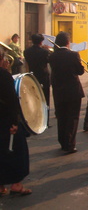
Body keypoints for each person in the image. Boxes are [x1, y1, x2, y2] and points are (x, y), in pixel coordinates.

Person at [0, 47, 32, 196]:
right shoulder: (4, 75)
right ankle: (16, 184)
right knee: (16, 152)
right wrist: (14, 122)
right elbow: (12, 101)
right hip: (6, 120)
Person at [48, 32, 85, 153]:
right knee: (72, 118)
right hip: (73, 90)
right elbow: (80, 71)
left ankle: (63, 142)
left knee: (62, 117)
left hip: (59, 91)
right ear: (68, 42)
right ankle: (70, 144)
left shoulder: (52, 56)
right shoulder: (73, 55)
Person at [23, 34, 51, 126]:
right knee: (45, 99)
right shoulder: (44, 52)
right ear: (41, 42)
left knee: (33, 98)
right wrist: (47, 50)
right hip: (43, 76)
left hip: (32, 76)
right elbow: (49, 61)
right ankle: (45, 122)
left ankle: (33, 120)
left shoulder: (26, 51)